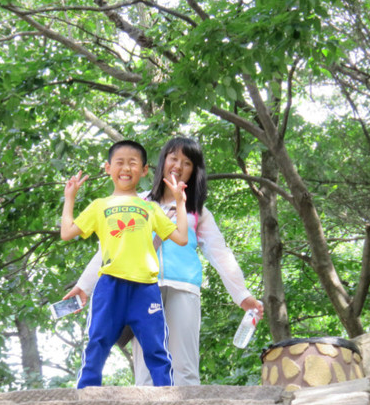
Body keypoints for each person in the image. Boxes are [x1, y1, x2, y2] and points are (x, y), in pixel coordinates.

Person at [65, 137, 263, 386]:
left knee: (185, 366)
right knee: (147, 370)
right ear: (162, 162)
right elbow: (108, 250)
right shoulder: (137, 203)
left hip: (184, 288)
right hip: (141, 289)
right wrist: (84, 286)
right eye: (173, 158)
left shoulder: (197, 212)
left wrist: (242, 294)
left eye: (187, 162)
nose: (178, 166)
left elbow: (219, 253)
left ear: (194, 171)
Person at [60, 140, 189, 388]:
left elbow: (181, 238)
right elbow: (67, 232)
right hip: (110, 286)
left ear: (144, 170)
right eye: (120, 162)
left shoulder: (150, 208)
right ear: (108, 168)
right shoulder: (99, 206)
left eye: (133, 163)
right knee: (98, 342)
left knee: (156, 348)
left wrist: (180, 202)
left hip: (145, 288)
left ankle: (167, 398)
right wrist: (70, 198)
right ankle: (86, 395)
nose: (126, 168)